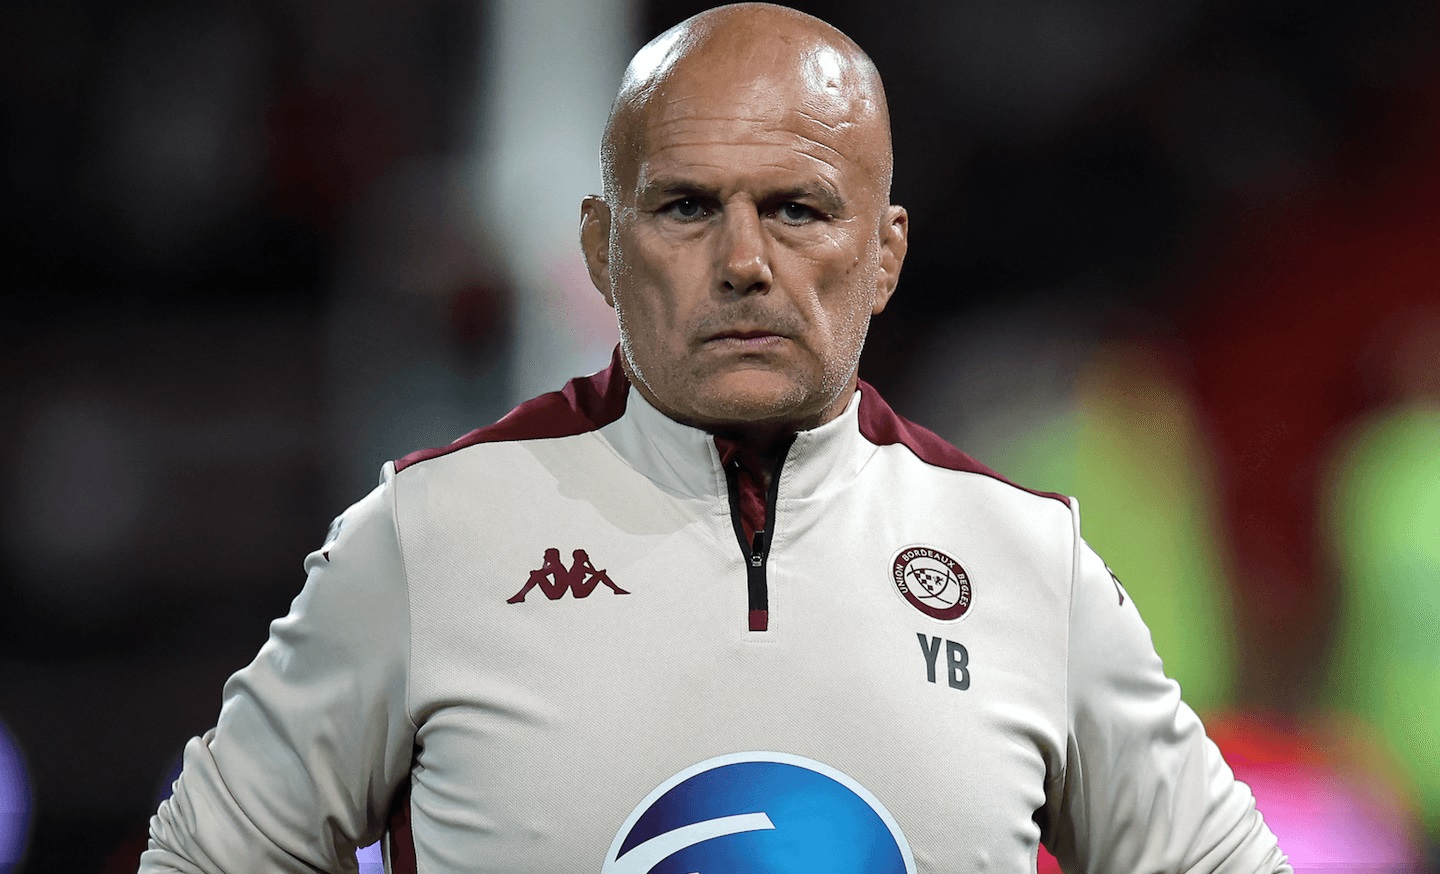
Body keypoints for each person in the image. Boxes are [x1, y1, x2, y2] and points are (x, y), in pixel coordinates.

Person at [142, 4, 1291, 872]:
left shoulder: (1026, 566)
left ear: (885, 254)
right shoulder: (426, 539)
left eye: (797, 208)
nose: (744, 262)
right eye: (687, 206)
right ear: (603, 250)